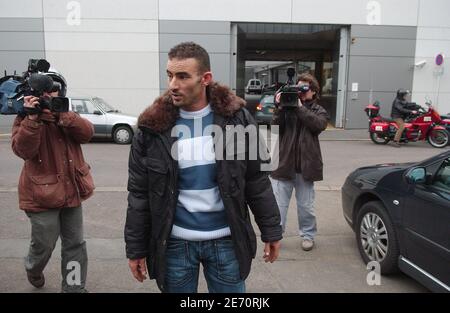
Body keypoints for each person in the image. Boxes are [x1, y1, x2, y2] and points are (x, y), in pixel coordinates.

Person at [125, 42, 282, 293]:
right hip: (175, 244)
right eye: (170, 75)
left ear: (205, 78)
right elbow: (140, 194)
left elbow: (256, 180)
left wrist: (271, 230)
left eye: (182, 76)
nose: (173, 84)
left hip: (226, 241)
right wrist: (136, 249)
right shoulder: (152, 129)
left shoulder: (236, 120)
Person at [11, 74, 95, 292]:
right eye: (44, 92)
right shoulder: (25, 118)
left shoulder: (66, 114)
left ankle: (74, 287)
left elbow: (87, 133)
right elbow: (23, 150)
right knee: (44, 246)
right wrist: (32, 120)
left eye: (54, 90)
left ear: (61, 92)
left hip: (71, 192)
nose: (49, 95)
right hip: (40, 195)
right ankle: (33, 268)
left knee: (75, 244)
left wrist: (64, 116)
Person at [270, 73, 329, 251]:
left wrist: (299, 107)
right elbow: (274, 128)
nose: (301, 92)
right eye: (299, 89)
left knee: (306, 208)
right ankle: (276, 236)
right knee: (278, 207)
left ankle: (308, 235)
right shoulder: (287, 109)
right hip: (284, 165)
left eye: (305, 89)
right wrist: (280, 107)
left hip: (306, 168)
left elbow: (318, 125)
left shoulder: (318, 110)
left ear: (314, 92)